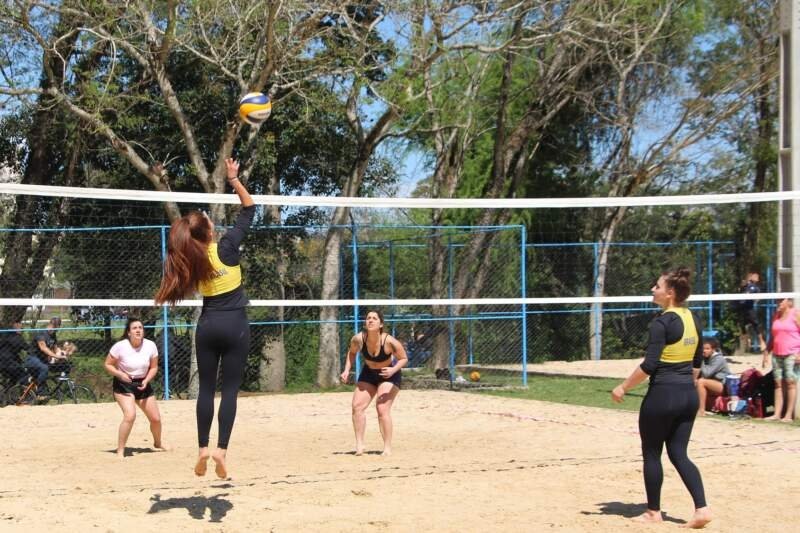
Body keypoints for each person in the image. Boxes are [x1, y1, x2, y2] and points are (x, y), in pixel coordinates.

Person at [154, 158, 255, 479]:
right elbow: (250, 209)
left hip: (208, 325)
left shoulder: (191, 259)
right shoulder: (226, 246)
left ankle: (201, 450)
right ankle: (221, 451)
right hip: (235, 324)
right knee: (230, 391)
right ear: (208, 231)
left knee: (206, 390)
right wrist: (234, 180)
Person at [611, 267, 711, 529]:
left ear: (670, 293)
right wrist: (684, 385)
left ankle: (653, 512)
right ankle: (702, 508)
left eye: (656, 286)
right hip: (688, 395)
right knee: (679, 453)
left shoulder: (661, 322)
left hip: (663, 395)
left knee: (652, 453)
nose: (652, 290)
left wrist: (622, 387)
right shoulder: (693, 318)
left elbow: (649, 365)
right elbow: (697, 361)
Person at [340, 310, 408, 456]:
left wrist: (393, 370)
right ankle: (360, 445)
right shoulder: (358, 339)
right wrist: (346, 370)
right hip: (369, 372)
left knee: (382, 409)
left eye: (374, 318)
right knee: (357, 406)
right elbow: (352, 352)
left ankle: (387, 447)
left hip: (389, 374)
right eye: (368, 318)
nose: (370, 320)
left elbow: (403, 358)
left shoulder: (389, 341)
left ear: (380, 324)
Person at [103, 318, 165, 457]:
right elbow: (107, 364)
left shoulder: (150, 345)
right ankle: (120, 450)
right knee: (130, 416)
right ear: (129, 332)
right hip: (124, 384)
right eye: (134, 328)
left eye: (140, 327)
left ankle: (158, 443)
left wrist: (147, 379)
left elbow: (154, 367)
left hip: (143, 383)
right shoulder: (120, 346)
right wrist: (120, 374)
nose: (138, 330)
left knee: (156, 419)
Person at [762, 298, 799, 422]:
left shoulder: (795, 314)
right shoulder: (776, 316)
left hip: (792, 353)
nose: (778, 303)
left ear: (789, 302)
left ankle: (788, 415)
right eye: (777, 301)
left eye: (781, 301)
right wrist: (767, 352)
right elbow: (773, 336)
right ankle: (777, 414)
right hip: (777, 353)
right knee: (778, 383)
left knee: (790, 382)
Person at [25, 317, 69, 396]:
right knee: (44, 368)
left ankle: (60, 382)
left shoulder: (53, 334)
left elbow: (55, 348)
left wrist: (61, 353)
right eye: (56, 326)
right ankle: (40, 393)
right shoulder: (41, 333)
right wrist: (56, 356)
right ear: (52, 325)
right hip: (32, 359)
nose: (57, 329)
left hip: (43, 360)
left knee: (66, 365)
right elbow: (43, 348)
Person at [695, 338, 730, 416]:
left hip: (723, 385)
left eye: (707, 349)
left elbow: (707, 373)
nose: (704, 351)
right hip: (713, 383)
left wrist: (700, 360)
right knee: (694, 381)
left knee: (701, 382)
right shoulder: (706, 358)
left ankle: (701, 411)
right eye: (703, 348)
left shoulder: (718, 359)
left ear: (713, 349)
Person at [737, 271, 766, 352]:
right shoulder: (745, 284)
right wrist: (746, 280)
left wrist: (755, 299)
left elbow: (758, 298)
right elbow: (741, 286)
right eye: (756, 276)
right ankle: (747, 340)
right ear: (751, 276)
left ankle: (761, 342)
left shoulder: (755, 287)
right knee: (742, 326)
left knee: (755, 324)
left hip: (749, 308)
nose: (758, 278)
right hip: (742, 309)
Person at [0, 320, 28, 386]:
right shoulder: (19, 339)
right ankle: (25, 393)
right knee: (24, 375)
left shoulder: (6, 333)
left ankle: (8, 391)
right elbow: (28, 348)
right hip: (8, 363)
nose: (22, 329)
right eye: (21, 328)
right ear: (16, 326)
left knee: (14, 378)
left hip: (4, 362)